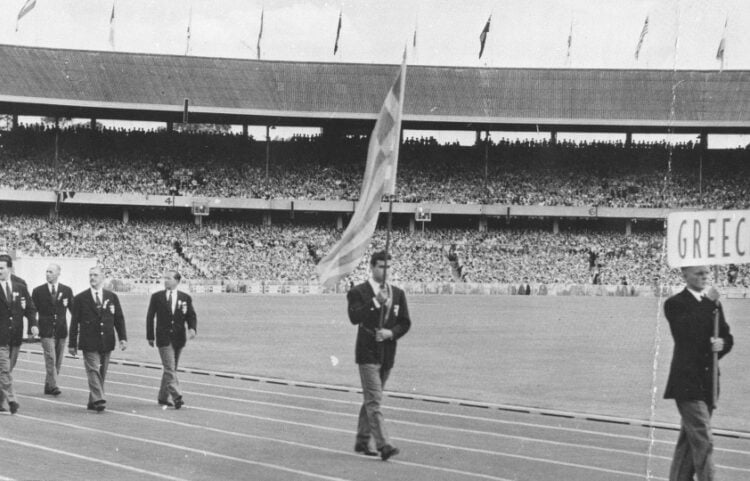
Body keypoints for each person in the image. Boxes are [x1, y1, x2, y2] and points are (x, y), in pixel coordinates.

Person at [663, 265, 734, 481]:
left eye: (706, 273)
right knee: (703, 439)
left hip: (709, 381)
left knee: (689, 441)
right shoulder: (675, 304)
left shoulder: (713, 305)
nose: (704, 277)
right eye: (698, 274)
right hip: (687, 382)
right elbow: (687, 334)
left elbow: (726, 335)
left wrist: (723, 344)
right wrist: (708, 303)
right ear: (685, 276)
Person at [347, 251, 411, 461]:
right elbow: (354, 317)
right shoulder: (358, 291)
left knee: (371, 399)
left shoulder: (398, 293)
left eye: (389, 267)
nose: (386, 271)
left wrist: (391, 333)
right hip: (367, 352)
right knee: (374, 400)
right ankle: (384, 444)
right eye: (381, 266)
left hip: (387, 353)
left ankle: (362, 440)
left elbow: (405, 322)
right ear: (372, 267)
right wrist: (375, 301)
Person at [68, 266, 127, 412]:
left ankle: (93, 400)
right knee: (93, 369)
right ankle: (99, 399)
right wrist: (72, 343)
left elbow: (118, 319)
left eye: (95, 275)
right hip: (89, 341)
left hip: (106, 340)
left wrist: (123, 338)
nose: (92, 278)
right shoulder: (81, 298)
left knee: (101, 373)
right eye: (90, 275)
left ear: (102, 277)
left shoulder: (111, 297)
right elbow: (74, 322)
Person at [146, 270, 197, 409]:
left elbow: (191, 315)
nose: (166, 280)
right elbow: (150, 317)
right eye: (165, 278)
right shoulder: (157, 297)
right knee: (169, 367)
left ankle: (163, 397)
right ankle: (177, 396)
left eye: (169, 278)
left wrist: (192, 328)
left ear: (177, 281)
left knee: (171, 368)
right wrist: (150, 336)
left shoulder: (185, 298)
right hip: (163, 338)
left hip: (179, 338)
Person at [0, 254, 38, 414]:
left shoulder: (20, 287)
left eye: (1, 268)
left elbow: (30, 308)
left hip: (15, 336)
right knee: (4, 370)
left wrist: (33, 325)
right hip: (0, 337)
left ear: (9, 268)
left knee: (8, 370)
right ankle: (12, 400)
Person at [32, 263, 74, 396]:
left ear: (57, 273)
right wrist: (33, 327)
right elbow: (32, 311)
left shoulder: (66, 290)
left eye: (50, 272)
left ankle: (48, 385)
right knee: (50, 357)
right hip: (46, 330)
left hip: (61, 330)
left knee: (58, 360)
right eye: (47, 271)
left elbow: (73, 310)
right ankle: (54, 385)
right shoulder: (38, 291)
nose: (47, 274)